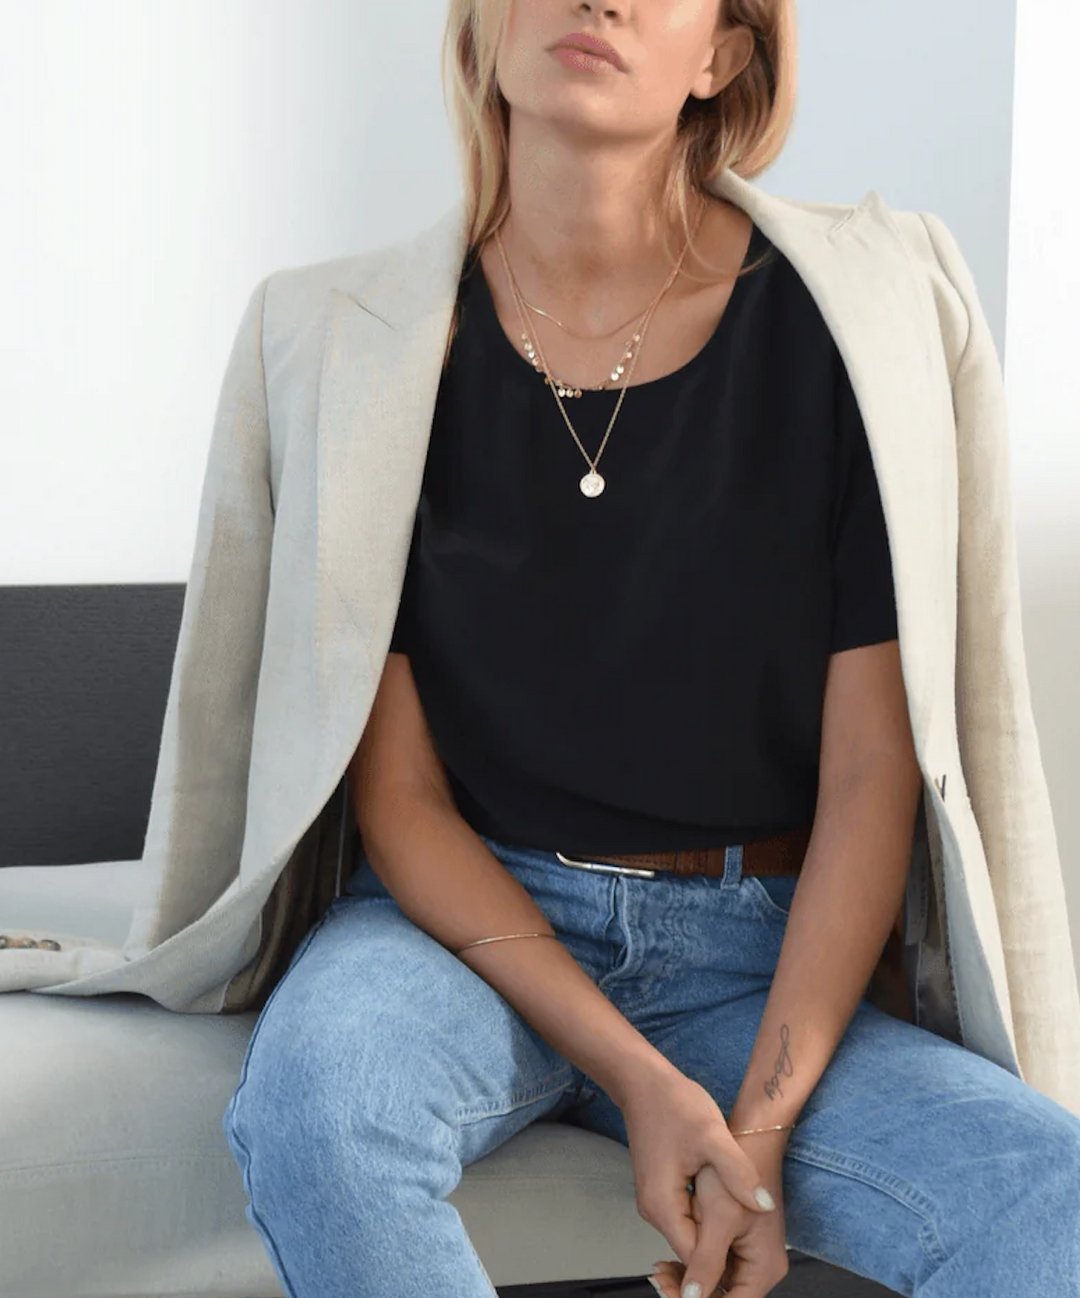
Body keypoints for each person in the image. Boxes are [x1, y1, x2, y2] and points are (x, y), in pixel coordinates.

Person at [221, 3, 1080, 1296]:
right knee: (321, 1108)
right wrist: (635, 1074)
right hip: (459, 940)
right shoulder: (361, 344)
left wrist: (759, 1133)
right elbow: (396, 797)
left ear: (723, 55)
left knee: (1050, 1193)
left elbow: (870, 780)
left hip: (755, 955)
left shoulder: (847, 329)